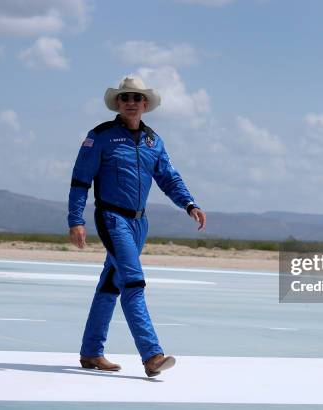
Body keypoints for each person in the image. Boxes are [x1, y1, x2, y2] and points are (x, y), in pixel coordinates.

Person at [67, 76, 206, 377]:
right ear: (117, 103)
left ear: (145, 104)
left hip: (139, 222)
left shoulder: (154, 141)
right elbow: (80, 181)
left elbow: (168, 178)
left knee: (109, 286)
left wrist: (189, 204)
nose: (131, 103)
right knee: (133, 282)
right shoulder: (100, 136)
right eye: (125, 97)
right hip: (112, 218)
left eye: (137, 98)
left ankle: (91, 351)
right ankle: (151, 355)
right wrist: (76, 219)